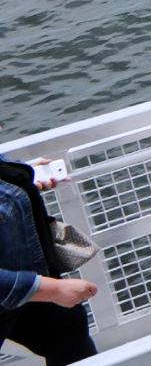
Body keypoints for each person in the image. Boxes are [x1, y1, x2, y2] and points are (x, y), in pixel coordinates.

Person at [0, 156, 96, 365]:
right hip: (17, 287)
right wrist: (51, 289)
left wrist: (22, 177)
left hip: (23, 286)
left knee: (67, 329)